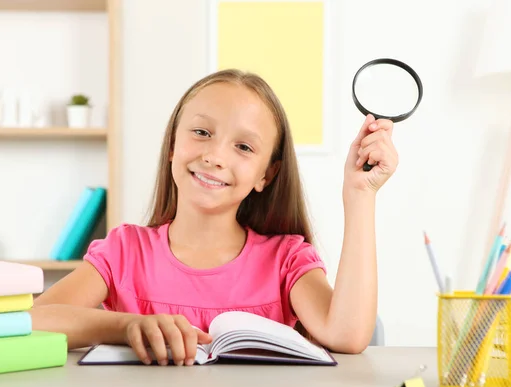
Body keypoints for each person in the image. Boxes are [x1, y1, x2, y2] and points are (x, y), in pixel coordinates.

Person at [30, 69, 398, 366]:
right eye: (202, 132)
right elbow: (32, 322)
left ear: (265, 176)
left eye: (243, 146)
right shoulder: (125, 251)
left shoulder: (286, 259)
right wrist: (127, 327)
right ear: (173, 145)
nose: (215, 156)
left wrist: (360, 194)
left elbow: (347, 335)